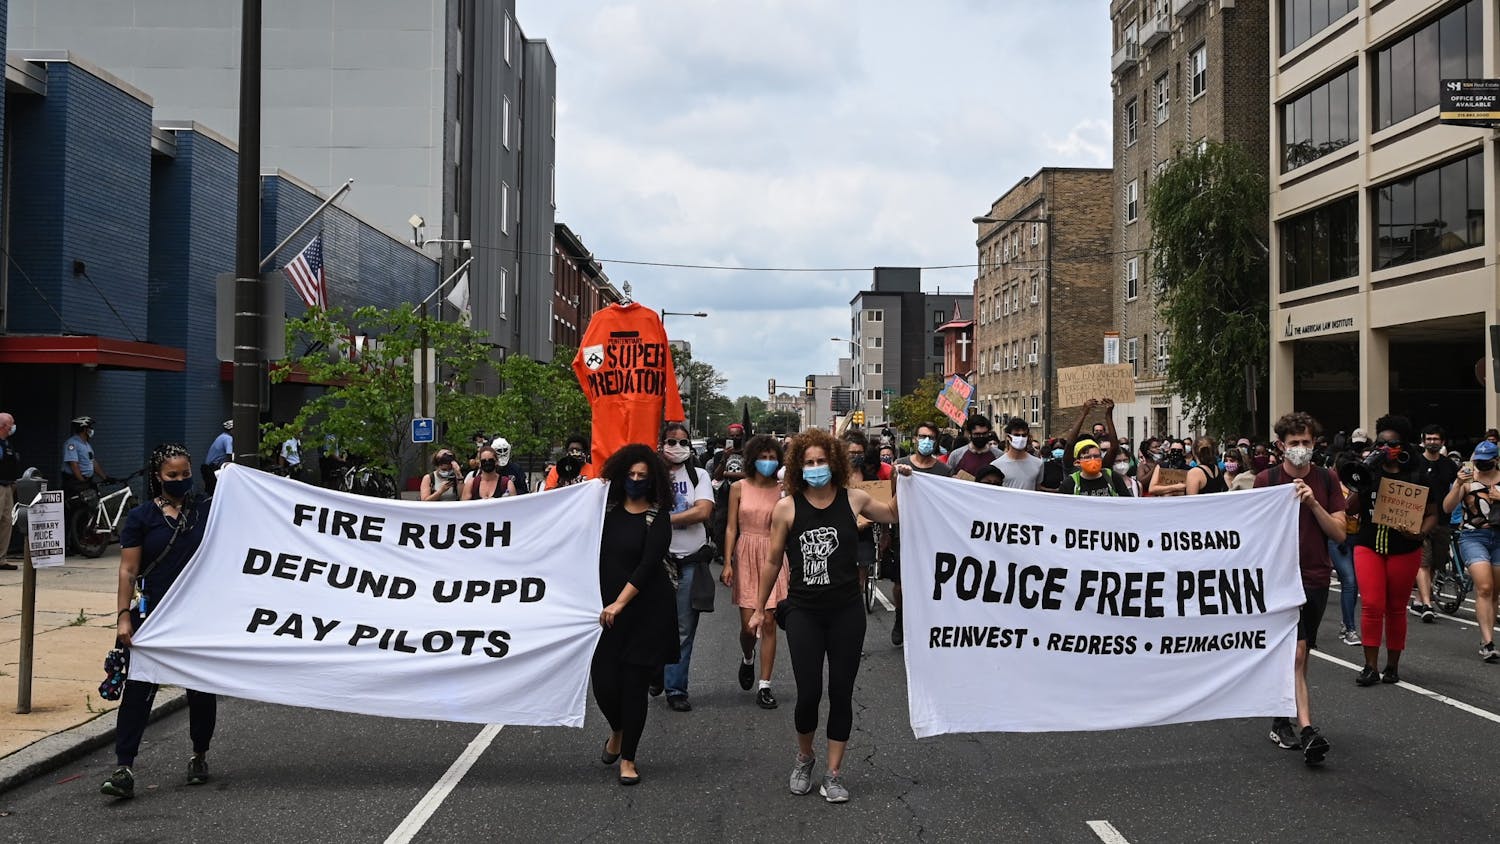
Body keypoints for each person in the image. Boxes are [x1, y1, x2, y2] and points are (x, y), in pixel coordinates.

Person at [748, 428, 905, 803]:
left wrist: (900, 475)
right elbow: (772, 561)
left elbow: (895, 514)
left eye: (821, 461)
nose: (816, 468)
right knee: (808, 694)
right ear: (798, 467)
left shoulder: (854, 499)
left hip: (846, 611)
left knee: (841, 692)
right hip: (804, 611)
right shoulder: (787, 508)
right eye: (808, 462)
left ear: (833, 463)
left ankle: (833, 774)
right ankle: (805, 757)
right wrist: (758, 608)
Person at [101, 444, 216, 799]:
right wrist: (123, 617)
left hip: (197, 618)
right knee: (139, 691)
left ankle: (199, 755)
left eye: (185, 474)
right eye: (172, 475)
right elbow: (129, 570)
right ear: (157, 477)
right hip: (152, 616)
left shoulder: (206, 510)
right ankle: (124, 768)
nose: (180, 481)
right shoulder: (141, 518)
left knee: (200, 691)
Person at [1253, 412, 1344, 765]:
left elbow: (1338, 532)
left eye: (1306, 443)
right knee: (1297, 652)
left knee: (1301, 655)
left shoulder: (1326, 479)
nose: (1301, 449)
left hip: (1315, 576)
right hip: (1278, 580)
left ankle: (1281, 715)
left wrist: (1312, 503)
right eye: (1294, 444)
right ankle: (1307, 730)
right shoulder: (1267, 479)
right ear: (1281, 447)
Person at [592, 444, 678, 785]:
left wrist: (621, 603)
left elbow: (647, 566)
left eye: (643, 476)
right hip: (603, 614)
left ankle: (628, 757)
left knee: (633, 686)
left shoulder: (657, 517)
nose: (636, 480)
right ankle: (617, 729)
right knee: (603, 684)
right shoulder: (604, 512)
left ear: (653, 480)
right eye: (631, 475)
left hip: (644, 612)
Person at [1346, 415, 1436, 687]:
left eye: (1393, 443)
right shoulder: (1368, 472)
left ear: (1404, 445)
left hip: (1405, 548)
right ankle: (1369, 666)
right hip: (1368, 544)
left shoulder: (1417, 473)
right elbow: (1350, 508)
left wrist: (1419, 533)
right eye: (1382, 444)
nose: (1388, 449)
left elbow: (1432, 513)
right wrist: (1361, 475)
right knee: (1372, 604)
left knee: (1396, 609)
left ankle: (1392, 666)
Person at [721, 434, 789, 709]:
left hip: (774, 553)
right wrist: (727, 562)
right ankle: (748, 657)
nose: (768, 462)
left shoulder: (784, 489)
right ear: (752, 459)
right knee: (749, 627)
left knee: (770, 621)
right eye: (763, 457)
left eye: (773, 458)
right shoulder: (739, 487)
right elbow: (730, 528)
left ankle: (765, 685)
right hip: (746, 552)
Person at [660, 422, 714, 712]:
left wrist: (664, 520)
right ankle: (658, 671)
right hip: (657, 562)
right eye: (671, 441)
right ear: (661, 444)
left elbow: (703, 510)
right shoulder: (650, 474)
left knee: (683, 628)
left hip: (691, 560)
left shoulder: (698, 475)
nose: (677, 447)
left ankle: (675, 688)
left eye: (683, 442)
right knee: (654, 624)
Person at [887, 422, 951, 645]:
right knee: (900, 583)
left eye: (931, 437)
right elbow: (893, 498)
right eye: (922, 436)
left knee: (931, 581)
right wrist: (898, 476)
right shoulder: (901, 465)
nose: (926, 441)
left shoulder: (944, 471)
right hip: (905, 532)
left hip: (932, 534)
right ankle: (900, 617)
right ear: (914, 439)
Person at [1444, 441, 1500, 663]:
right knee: (1484, 586)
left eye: (1486, 462)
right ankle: (1488, 642)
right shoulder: (1468, 480)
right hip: (1473, 536)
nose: (1482, 465)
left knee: (1494, 591)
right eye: (1479, 461)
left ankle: (1487, 638)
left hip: (1499, 538)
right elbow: (1447, 508)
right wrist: (1458, 484)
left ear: (1495, 460)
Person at [1410, 424, 1457, 623]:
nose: (1432, 442)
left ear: (1442, 442)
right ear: (1423, 440)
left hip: (1443, 520)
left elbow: (1457, 490)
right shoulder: (1415, 463)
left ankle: (1420, 600)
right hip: (1419, 519)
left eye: (1436, 439)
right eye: (1428, 439)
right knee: (1424, 562)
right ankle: (1427, 605)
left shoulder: (1449, 466)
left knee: (1436, 563)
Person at [1328, 451, 1362, 646]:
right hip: (1337, 539)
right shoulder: (1333, 487)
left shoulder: (1361, 485)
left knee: (1354, 583)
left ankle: (1345, 622)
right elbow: (1346, 508)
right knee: (1349, 580)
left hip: (1357, 537)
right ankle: (1350, 629)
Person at [1058, 440, 1131, 497]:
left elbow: (1128, 503)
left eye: (1096, 456)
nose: (1093, 460)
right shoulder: (1070, 484)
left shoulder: (1112, 477)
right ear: (1077, 462)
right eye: (1087, 457)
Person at [991, 417, 1044, 491]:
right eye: (1016, 435)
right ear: (1008, 437)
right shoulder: (996, 465)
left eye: (1024, 435)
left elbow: (1037, 489)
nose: (1021, 438)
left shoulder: (1038, 463)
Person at [62, 416, 107, 496]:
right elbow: (73, 464)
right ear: (84, 429)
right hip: (75, 482)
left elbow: (93, 463)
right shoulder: (72, 443)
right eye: (90, 427)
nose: (91, 430)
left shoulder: (86, 445)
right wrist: (82, 482)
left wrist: (105, 478)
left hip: (85, 481)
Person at [0, 411, 18, 569]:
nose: (13, 426)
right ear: (4, 426)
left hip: (7, 486)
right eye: (11, 423)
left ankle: (1, 559)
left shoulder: (7, 444)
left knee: (7, 522)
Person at [202, 421, 233, 495]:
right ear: (232, 429)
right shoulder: (228, 438)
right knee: (217, 492)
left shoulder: (222, 436)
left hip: (208, 467)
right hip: (214, 468)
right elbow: (229, 454)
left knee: (212, 491)